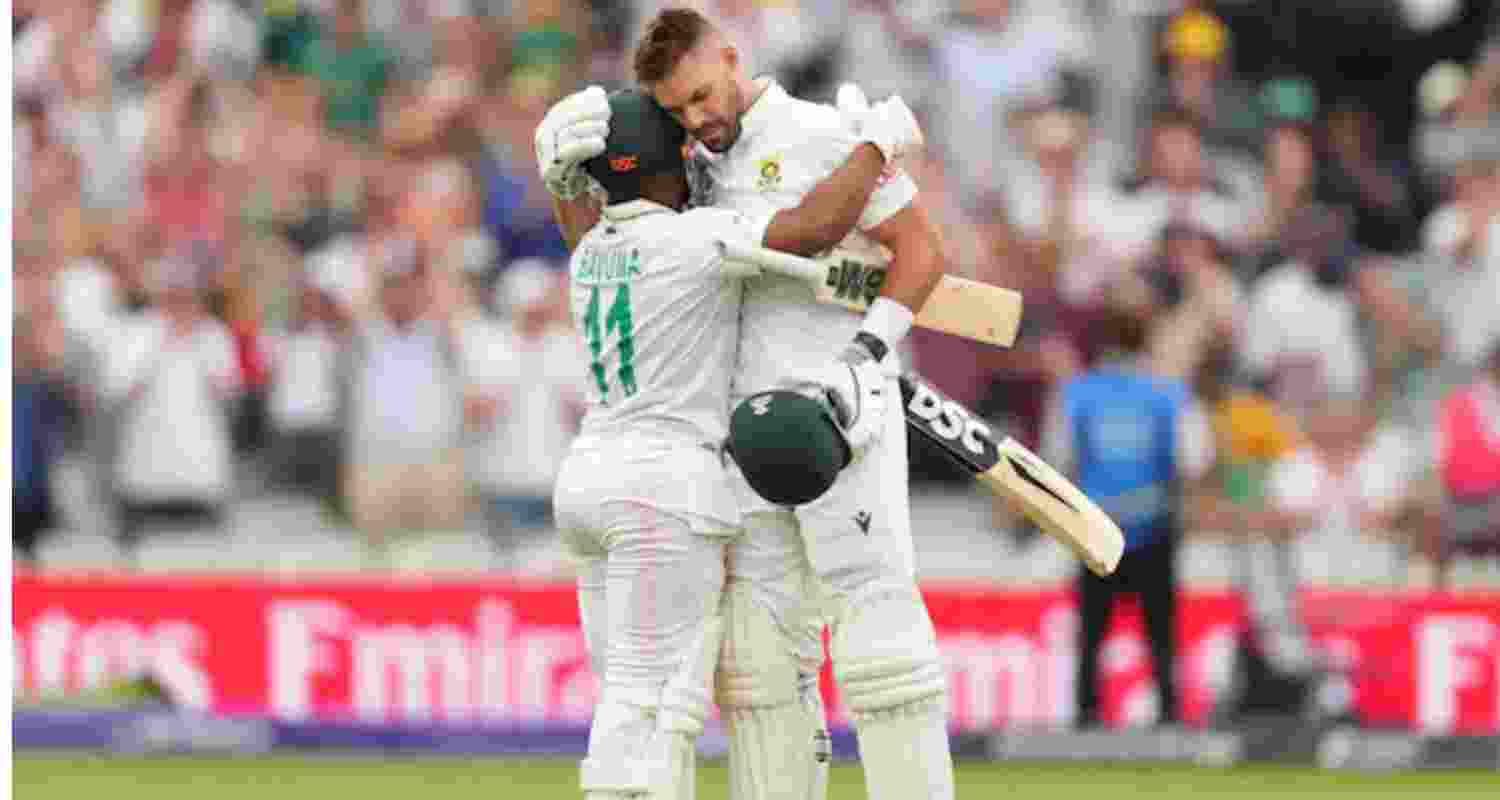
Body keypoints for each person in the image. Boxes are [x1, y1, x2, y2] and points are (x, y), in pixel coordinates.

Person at [539, 10, 949, 797]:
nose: (697, 121)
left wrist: (867, 353)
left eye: (702, 96)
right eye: (678, 112)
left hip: (838, 418)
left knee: (883, 654)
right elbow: (788, 231)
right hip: (736, 445)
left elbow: (923, 252)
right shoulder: (687, 176)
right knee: (757, 672)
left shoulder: (822, 132)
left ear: (731, 57)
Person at [1041, 291, 1214, 728]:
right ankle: (1169, 717)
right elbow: (1195, 459)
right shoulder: (1169, 394)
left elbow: (1057, 457)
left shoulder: (1077, 393)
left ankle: (1086, 717)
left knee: (1092, 634)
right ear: (1147, 338)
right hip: (1154, 526)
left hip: (1095, 528)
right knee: (1160, 634)